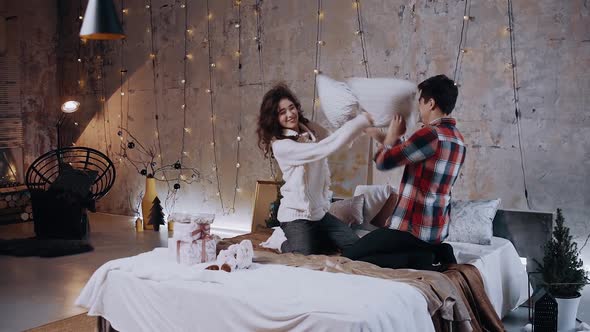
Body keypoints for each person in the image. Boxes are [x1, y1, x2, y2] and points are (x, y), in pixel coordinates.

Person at [343, 74, 466, 270]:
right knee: (372, 250)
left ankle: (423, 258)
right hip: (435, 230)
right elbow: (403, 152)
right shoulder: (457, 139)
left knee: (351, 258)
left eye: (421, 102)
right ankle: (435, 250)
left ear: (431, 103)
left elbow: (384, 162)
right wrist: (380, 134)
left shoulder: (429, 134)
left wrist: (391, 136)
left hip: (412, 230)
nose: (419, 108)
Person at [257, 83, 373, 255]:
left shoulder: (310, 129)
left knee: (354, 246)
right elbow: (322, 149)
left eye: (292, 108)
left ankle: (316, 238)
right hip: (296, 216)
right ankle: (279, 240)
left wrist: (360, 124)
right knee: (303, 254)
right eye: (282, 112)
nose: (290, 114)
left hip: (318, 213)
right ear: (274, 118)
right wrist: (359, 121)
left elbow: (334, 139)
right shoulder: (281, 145)